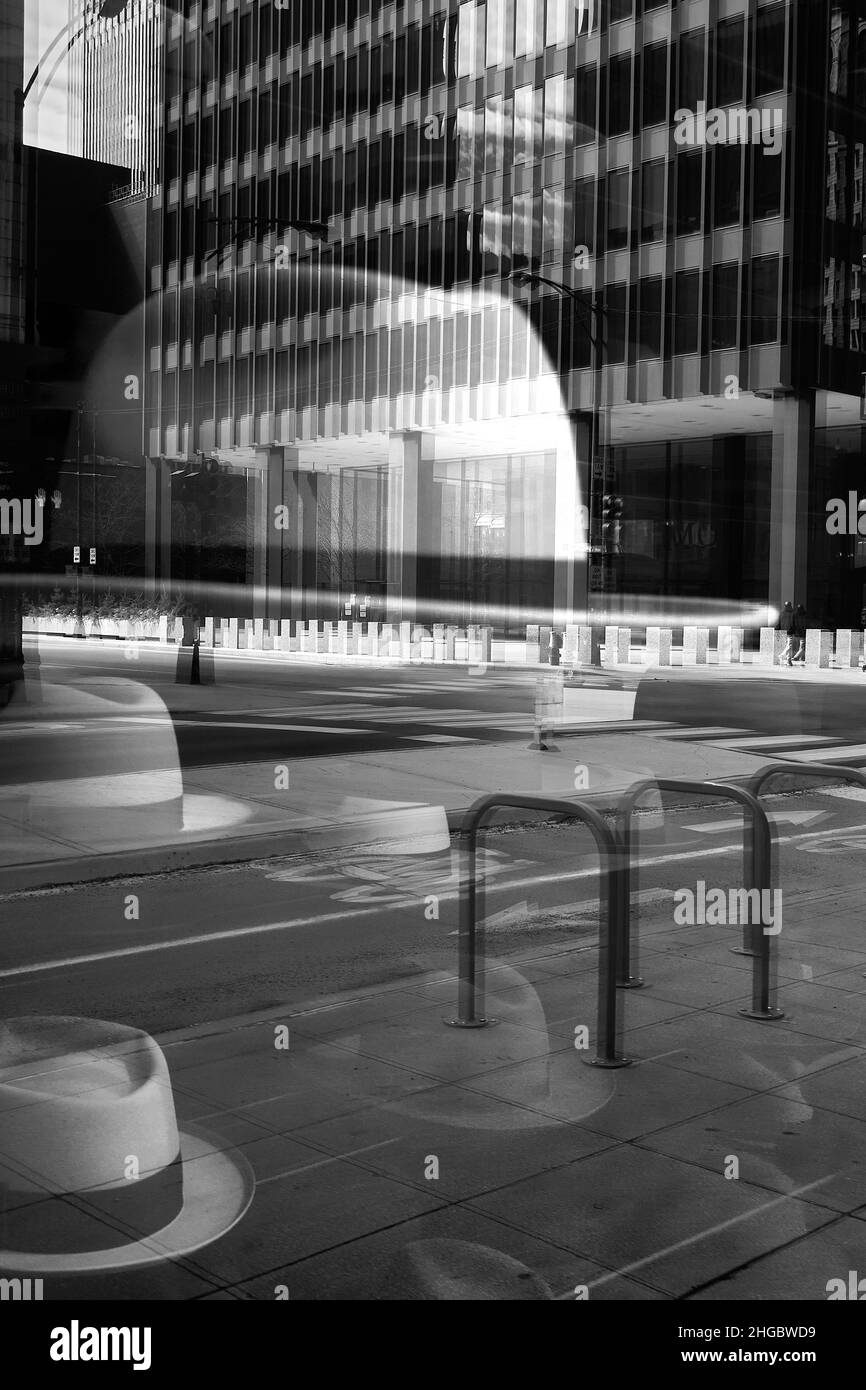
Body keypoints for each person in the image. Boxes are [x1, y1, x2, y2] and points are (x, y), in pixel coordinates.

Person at [777, 601, 796, 667]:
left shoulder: (781, 613)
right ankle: (782, 655)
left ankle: (788, 660)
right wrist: (794, 631)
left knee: (788, 646)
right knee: (789, 646)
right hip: (789, 632)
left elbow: (778, 622)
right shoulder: (793, 613)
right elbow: (794, 623)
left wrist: (777, 630)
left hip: (783, 632)